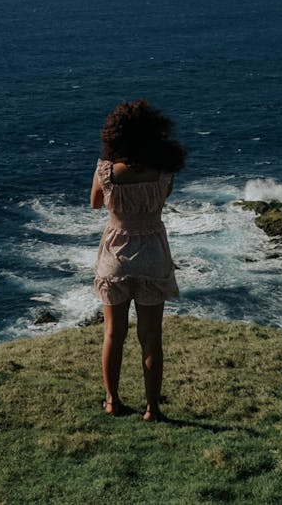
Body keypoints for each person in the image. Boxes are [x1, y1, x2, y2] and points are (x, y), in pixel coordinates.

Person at [90, 99, 185, 421]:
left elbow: (94, 203)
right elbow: (160, 200)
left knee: (114, 334)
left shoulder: (106, 171)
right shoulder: (163, 173)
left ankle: (112, 401)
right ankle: (152, 409)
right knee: (151, 337)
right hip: (153, 255)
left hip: (116, 255)